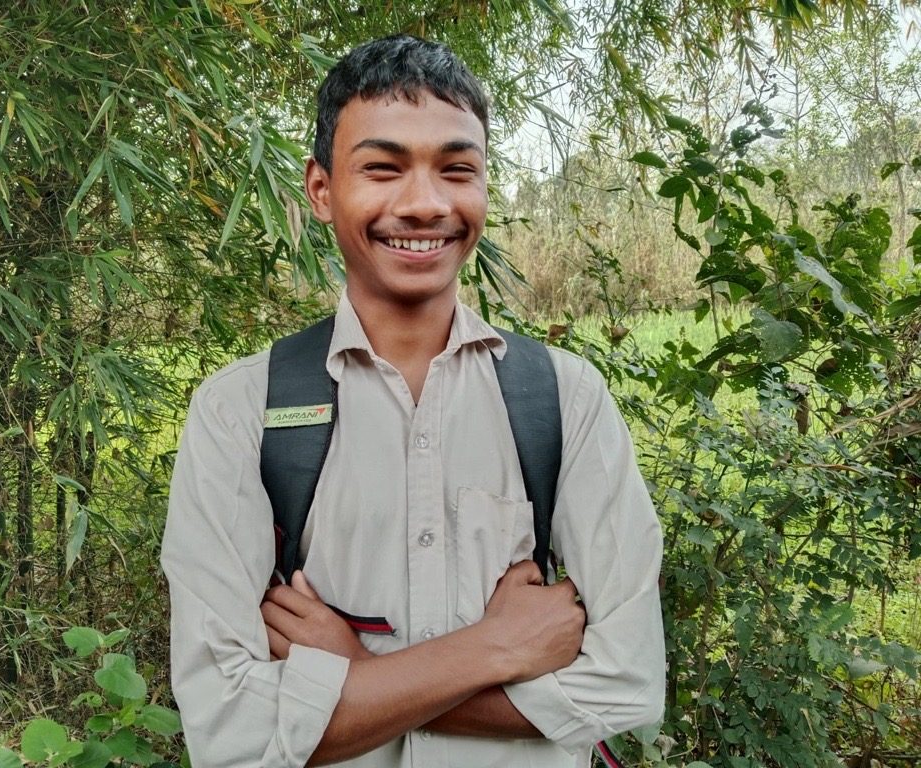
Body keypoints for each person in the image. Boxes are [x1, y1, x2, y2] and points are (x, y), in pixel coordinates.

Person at [161, 34, 665, 768]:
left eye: (457, 169)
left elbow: (626, 686)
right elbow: (231, 728)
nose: (425, 204)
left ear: (485, 188)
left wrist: (350, 677)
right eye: (383, 168)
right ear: (322, 189)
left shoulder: (562, 398)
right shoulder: (241, 410)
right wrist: (499, 647)